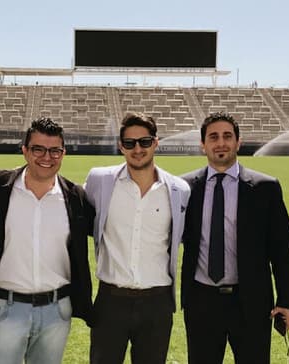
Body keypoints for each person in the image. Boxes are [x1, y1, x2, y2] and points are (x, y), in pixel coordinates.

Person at [0, 117, 93, 364]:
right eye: (38, 149)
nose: (47, 157)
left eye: (54, 150)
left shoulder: (75, 197)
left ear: (63, 153)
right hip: (6, 308)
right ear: (25, 150)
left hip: (57, 311)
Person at [181, 111, 289, 363]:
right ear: (203, 145)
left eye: (227, 136)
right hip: (201, 301)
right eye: (213, 137)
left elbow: (282, 249)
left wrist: (287, 300)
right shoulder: (184, 188)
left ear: (238, 142)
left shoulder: (265, 187)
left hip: (251, 302)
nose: (220, 143)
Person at [84, 112, 191, 364]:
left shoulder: (179, 189)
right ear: (121, 146)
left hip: (157, 303)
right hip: (111, 301)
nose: (137, 149)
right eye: (130, 143)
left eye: (144, 142)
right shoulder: (99, 180)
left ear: (155, 143)